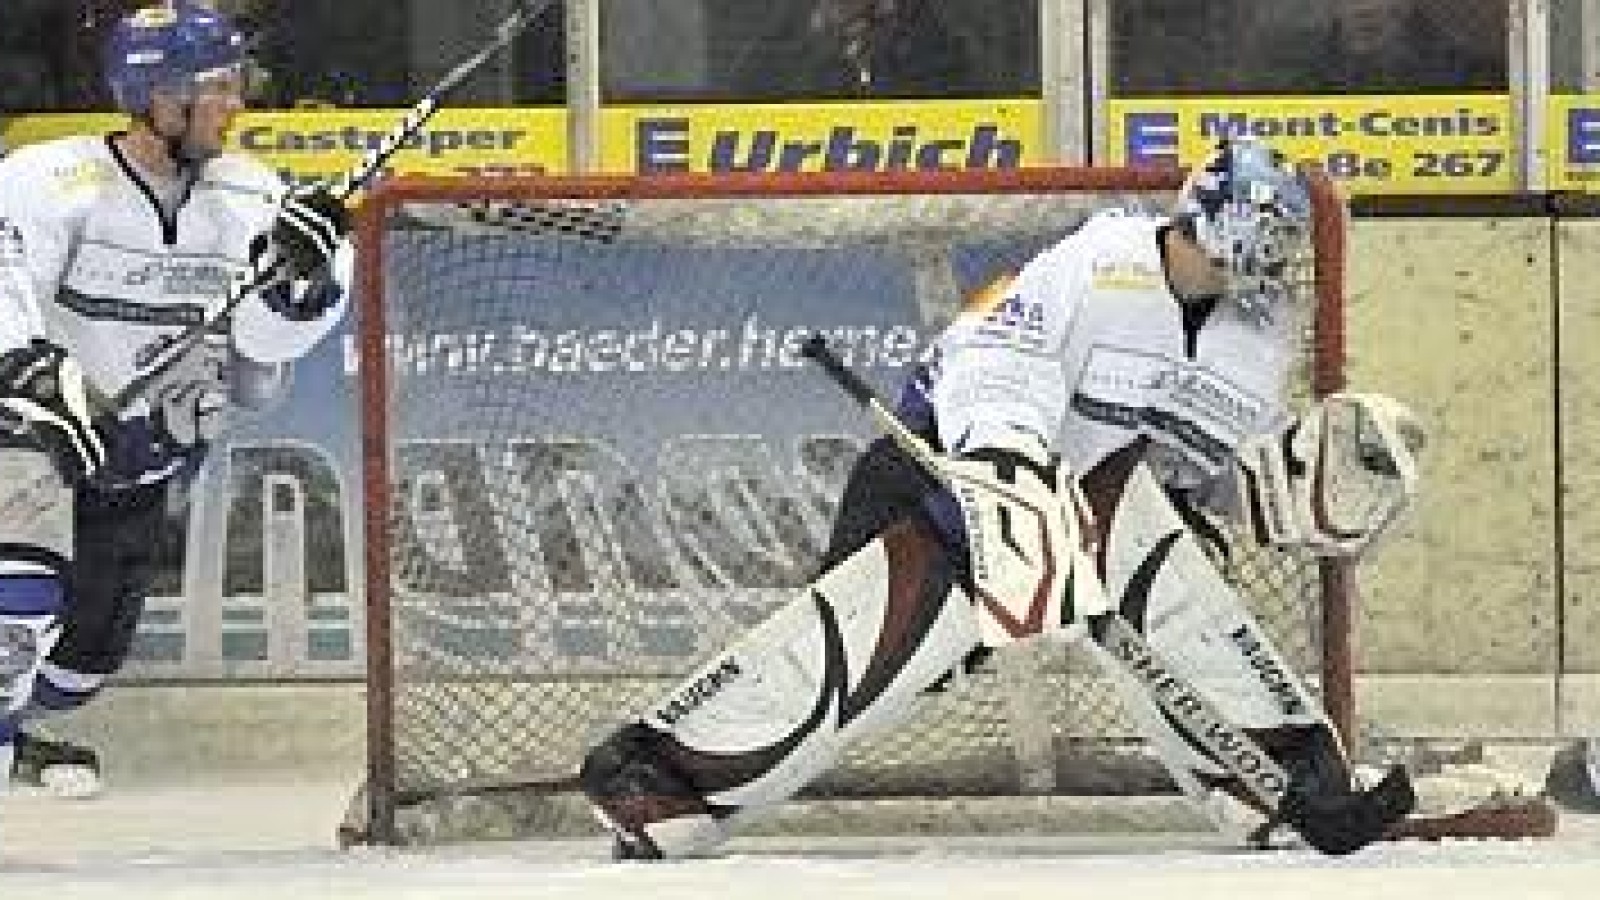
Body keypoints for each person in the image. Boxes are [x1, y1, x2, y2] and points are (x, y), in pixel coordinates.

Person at [579, 138, 1425, 859]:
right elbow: (994, 361)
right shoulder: (1102, 262)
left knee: (1177, 585)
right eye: (1235, 246)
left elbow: (1193, 465)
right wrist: (1013, 473)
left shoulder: (1258, 328)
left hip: (1094, 500)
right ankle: (657, 777)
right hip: (952, 470)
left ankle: (1279, 777)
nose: (1244, 271)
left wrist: (1270, 490)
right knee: (873, 644)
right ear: (1199, 218)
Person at [0, 2, 349, 797]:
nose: (235, 105)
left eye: (234, 85)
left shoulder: (249, 196)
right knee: (19, 597)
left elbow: (264, 355)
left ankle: (16, 734)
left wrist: (299, 279)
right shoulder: (53, 180)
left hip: (139, 462)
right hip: (35, 438)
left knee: (80, 668)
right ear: (157, 99)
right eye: (215, 88)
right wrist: (25, 373)